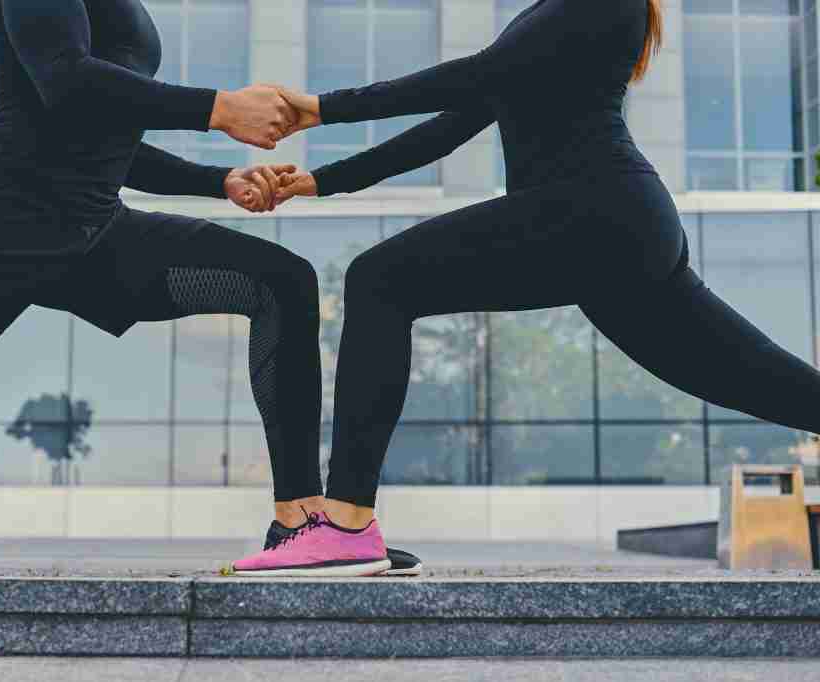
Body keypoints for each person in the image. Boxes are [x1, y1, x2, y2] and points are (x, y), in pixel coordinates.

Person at [228, 0, 820, 577]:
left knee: (380, 279)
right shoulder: (546, 18)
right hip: (609, 230)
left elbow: (473, 75)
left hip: (597, 215)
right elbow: (450, 127)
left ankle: (348, 525)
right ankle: (349, 528)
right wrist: (318, 181)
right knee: (748, 375)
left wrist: (321, 108)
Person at [0, 0, 331, 533]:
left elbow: (106, 133)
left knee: (280, 279)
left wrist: (217, 181)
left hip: (91, 233)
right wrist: (219, 109)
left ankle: (303, 526)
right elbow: (69, 84)